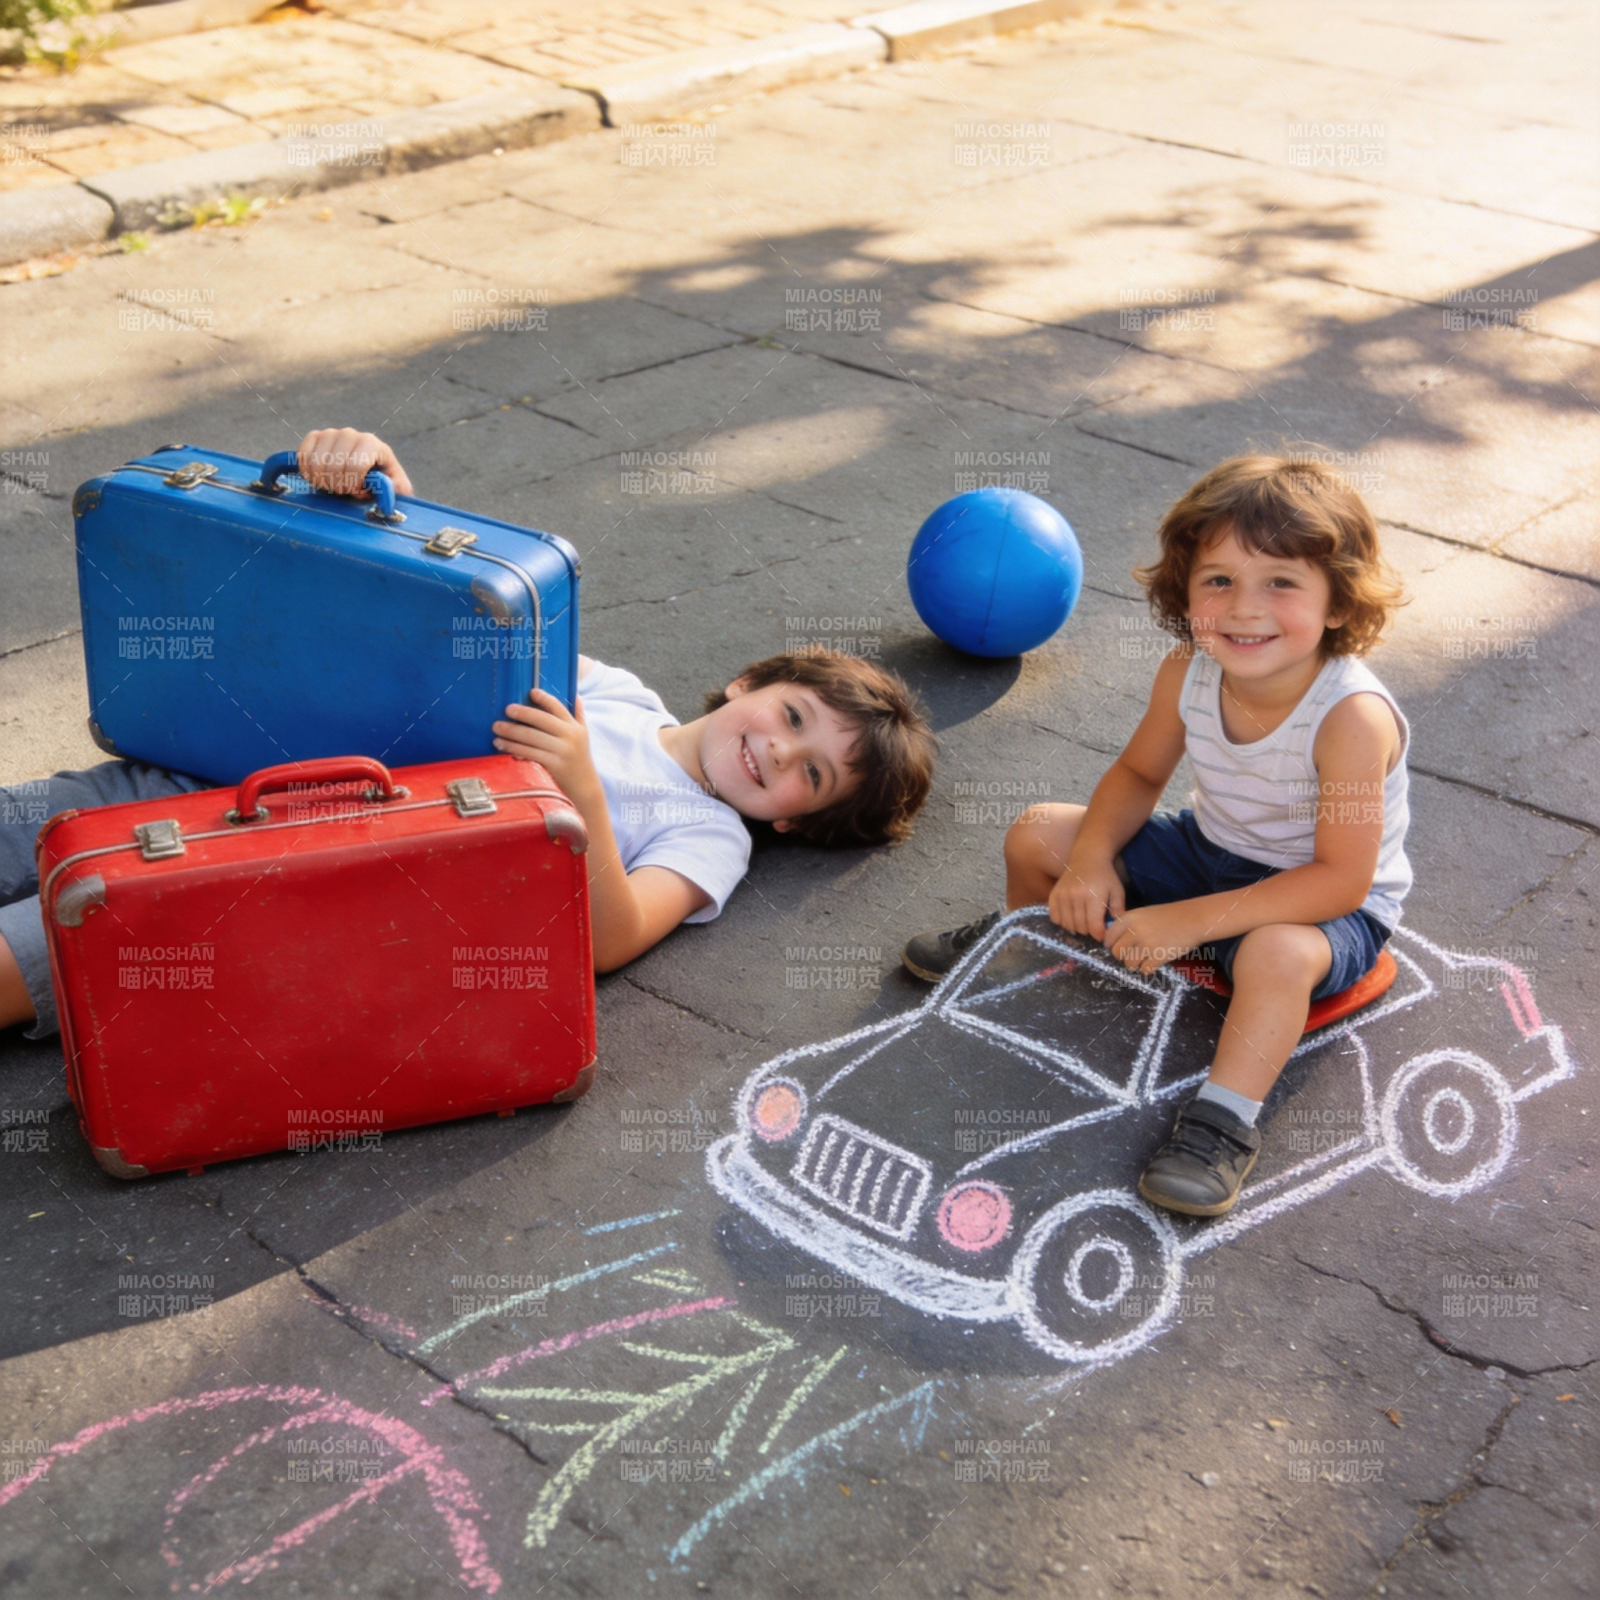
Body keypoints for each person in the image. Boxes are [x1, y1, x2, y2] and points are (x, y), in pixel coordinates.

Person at [0, 429, 936, 1039]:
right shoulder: (610, 691)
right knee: (29, 820)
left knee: (27, 952)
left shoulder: (714, 838)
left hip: (278, 862)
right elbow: (444, 627)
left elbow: (608, 939)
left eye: (809, 778)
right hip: (201, 773)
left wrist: (584, 795)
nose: (778, 751)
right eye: (793, 717)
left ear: (794, 827)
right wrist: (383, 490)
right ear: (752, 681)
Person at [901, 455, 1410, 1217]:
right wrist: (1091, 861)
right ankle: (1029, 946)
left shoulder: (1350, 717)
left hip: (1322, 904)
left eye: (1281, 582)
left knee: (1273, 955)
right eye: (1218, 580)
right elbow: (1139, 776)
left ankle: (1222, 1122)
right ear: (1185, 590)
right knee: (1041, 834)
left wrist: (1187, 922)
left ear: (1338, 603)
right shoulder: (1188, 669)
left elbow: (1340, 878)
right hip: (1208, 854)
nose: (1244, 607)